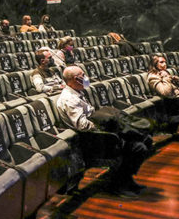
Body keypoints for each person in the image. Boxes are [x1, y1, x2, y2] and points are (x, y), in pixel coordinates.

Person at [57, 66, 152, 197]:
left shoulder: (77, 92)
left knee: (145, 141)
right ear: (75, 79)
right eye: (83, 75)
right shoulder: (69, 99)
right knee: (138, 147)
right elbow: (82, 125)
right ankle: (117, 185)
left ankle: (127, 179)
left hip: (99, 135)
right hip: (90, 139)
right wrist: (103, 125)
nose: (86, 78)